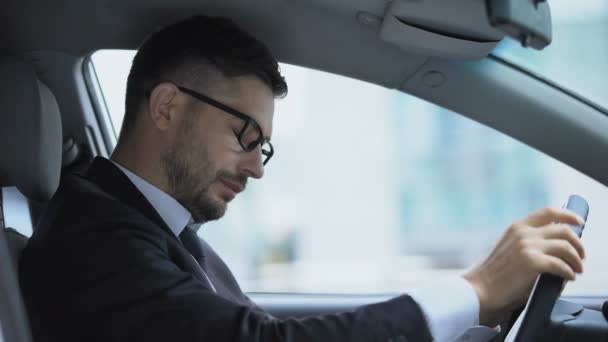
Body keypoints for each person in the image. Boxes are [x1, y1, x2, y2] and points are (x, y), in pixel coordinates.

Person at [19, 15, 587, 342]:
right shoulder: (92, 240)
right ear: (166, 106)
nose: (257, 166)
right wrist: (475, 288)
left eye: (263, 146)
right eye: (244, 134)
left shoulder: (157, 231)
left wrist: (475, 316)